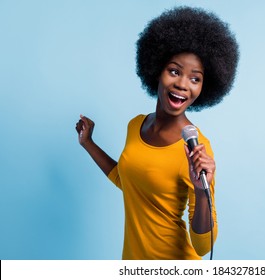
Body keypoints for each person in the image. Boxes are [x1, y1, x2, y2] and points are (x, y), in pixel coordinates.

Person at [75, 6, 239, 260]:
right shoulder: (136, 125)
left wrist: (200, 189)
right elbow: (128, 180)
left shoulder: (197, 148)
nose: (183, 84)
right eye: (174, 71)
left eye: (195, 78)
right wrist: (88, 143)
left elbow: (204, 246)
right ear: (156, 70)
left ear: (206, 87)